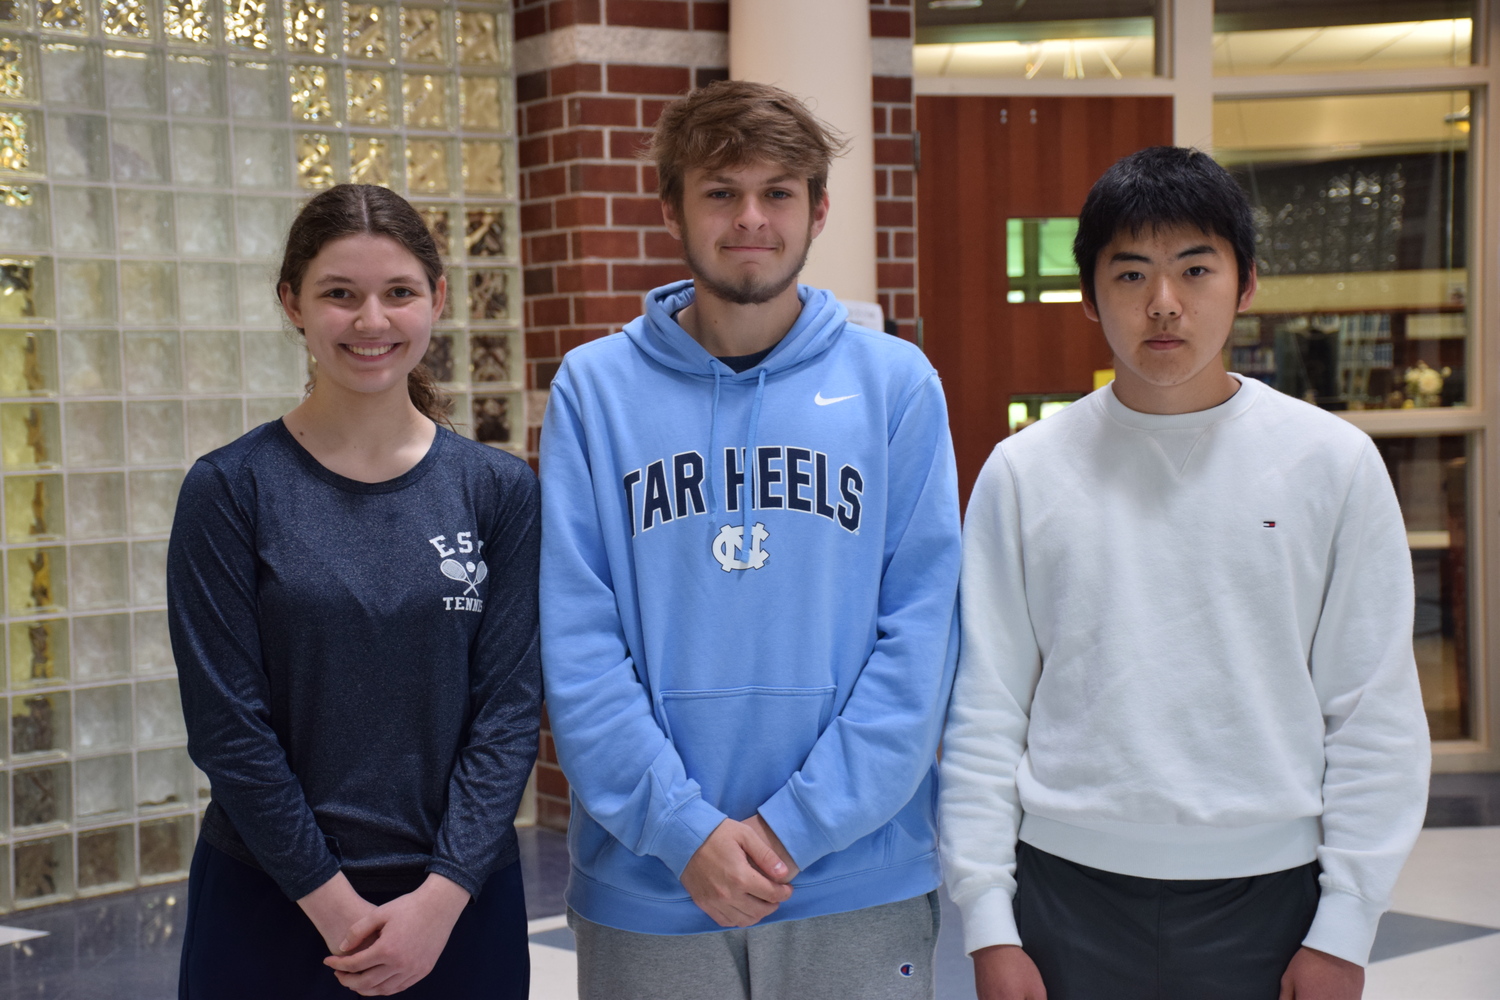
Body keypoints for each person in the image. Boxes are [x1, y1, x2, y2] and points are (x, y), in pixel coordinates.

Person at [939, 145, 1431, 1000]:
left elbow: (1372, 709)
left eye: (1194, 269)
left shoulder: (1333, 464)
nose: (1163, 305)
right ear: (1090, 297)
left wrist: (1346, 924)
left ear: (1243, 286)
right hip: (1064, 892)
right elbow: (986, 707)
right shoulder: (1024, 474)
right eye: (1129, 275)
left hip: (1273, 897)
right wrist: (988, 919)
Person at [539, 80, 962, 999]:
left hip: (855, 878)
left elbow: (922, 639)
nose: (750, 219)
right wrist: (684, 832)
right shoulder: (593, 390)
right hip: (650, 884)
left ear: (817, 211)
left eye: (777, 193)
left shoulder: (896, 385)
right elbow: (578, 643)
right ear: (673, 209)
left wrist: (793, 830)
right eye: (721, 191)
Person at [167, 184, 540, 999]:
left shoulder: (498, 491)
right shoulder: (232, 490)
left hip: (458, 905)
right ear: (292, 304)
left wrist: (440, 901)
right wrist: (338, 912)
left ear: (436, 301)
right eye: (340, 294)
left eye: (398, 293)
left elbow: (509, 714)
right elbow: (229, 730)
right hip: (271, 902)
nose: (372, 321)